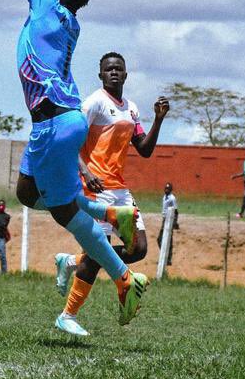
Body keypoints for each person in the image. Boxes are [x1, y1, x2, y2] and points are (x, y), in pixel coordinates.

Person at [0, 0, 147, 328]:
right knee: (29, 195)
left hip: (54, 124)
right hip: (60, 121)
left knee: (64, 212)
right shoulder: (69, 20)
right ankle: (110, 214)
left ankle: (124, 277)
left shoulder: (45, 4)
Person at [52, 52, 169, 336]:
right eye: (108, 69)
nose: (114, 72)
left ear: (126, 75)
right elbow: (68, 142)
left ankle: (70, 262)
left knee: (138, 249)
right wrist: (86, 173)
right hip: (95, 189)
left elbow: (144, 149)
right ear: (101, 75)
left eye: (118, 69)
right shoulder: (94, 103)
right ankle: (67, 315)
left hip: (120, 190)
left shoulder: (131, 109)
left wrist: (158, 119)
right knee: (96, 253)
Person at [157, 182, 178, 264]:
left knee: (169, 239)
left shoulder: (172, 198)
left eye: (168, 189)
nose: (166, 190)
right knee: (159, 239)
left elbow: (176, 211)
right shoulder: (164, 197)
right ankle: (165, 255)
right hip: (164, 219)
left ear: (171, 190)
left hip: (169, 220)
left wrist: (174, 222)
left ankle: (168, 259)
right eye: (165, 188)